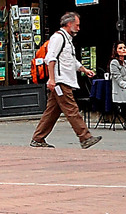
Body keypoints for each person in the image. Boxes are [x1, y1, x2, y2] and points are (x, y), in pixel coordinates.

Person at [30, 11, 102, 149]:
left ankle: (38, 138)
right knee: (72, 109)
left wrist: (84, 69)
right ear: (69, 24)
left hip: (63, 80)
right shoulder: (58, 38)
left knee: (52, 112)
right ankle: (85, 137)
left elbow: (70, 60)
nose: (79, 28)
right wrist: (52, 79)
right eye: (77, 25)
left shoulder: (67, 39)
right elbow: (50, 59)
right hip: (61, 82)